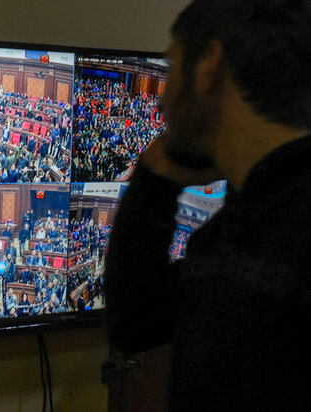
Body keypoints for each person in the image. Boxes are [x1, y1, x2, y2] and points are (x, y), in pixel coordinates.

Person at [104, 1, 311, 411]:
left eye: (172, 68)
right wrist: (156, 173)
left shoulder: (267, 239)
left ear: (208, 67)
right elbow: (137, 322)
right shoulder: (254, 214)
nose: (161, 103)